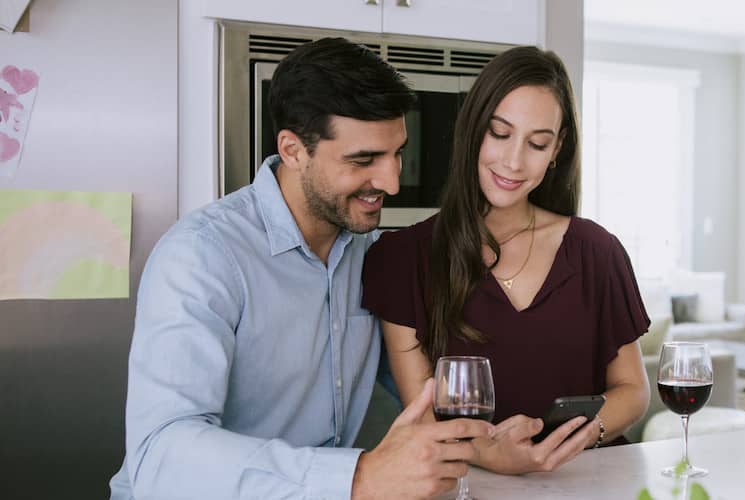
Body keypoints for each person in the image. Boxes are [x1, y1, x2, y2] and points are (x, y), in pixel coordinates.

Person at [108, 38, 491, 500]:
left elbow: (420, 382)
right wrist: (360, 477)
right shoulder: (202, 257)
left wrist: (494, 441)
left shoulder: (371, 252)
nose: (390, 181)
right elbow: (161, 455)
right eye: (363, 160)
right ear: (292, 150)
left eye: (397, 153)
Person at [361, 46, 650, 474]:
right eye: (500, 133)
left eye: (537, 143)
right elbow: (422, 412)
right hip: (469, 483)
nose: (514, 161)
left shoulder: (596, 252)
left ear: (557, 150)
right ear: (474, 128)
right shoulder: (404, 259)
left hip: (586, 480)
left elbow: (633, 389)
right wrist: (489, 456)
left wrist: (580, 437)